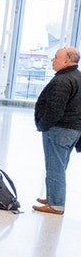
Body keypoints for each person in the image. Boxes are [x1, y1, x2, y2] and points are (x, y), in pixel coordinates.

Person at [32, 47, 81, 215]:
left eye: (56, 57)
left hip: (60, 129)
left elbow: (55, 109)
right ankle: (53, 197)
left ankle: (56, 205)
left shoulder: (62, 81)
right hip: (73, 129)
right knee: (60, 165)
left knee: (55, 167)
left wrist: (43, 125)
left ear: (66, 61)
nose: (53, 60)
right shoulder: (77, 77)